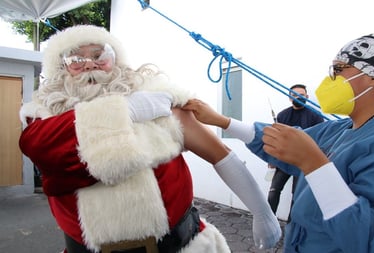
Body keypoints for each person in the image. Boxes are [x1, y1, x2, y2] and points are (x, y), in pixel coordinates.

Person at [18, 25, 281, 253]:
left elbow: (220, 155)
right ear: (60, 68)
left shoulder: (159, 102)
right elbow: (43, 149)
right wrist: (125, 111)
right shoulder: (43, 118)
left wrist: (260, 210)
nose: (89, 64)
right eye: (75, 59)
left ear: (116, 60)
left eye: (99, 55)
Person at [183, 34, 374, 252]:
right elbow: (285, 142)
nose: (330, 79)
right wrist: (221, 120)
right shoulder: (340, 129)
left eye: (338, 70)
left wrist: (315, 165)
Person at [267, 84, 323, 220]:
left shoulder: (316, 116)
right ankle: (269, 223)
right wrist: (271, 159)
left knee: (296, 196)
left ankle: (291, 226)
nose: (297, 97)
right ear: (289, 97)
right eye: (294, 95)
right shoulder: (282, 115)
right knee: (273, 192)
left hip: (304, 162)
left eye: (301, 95)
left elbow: (320, 141)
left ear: (307, 97)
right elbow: (276, 138)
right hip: (284, 160)